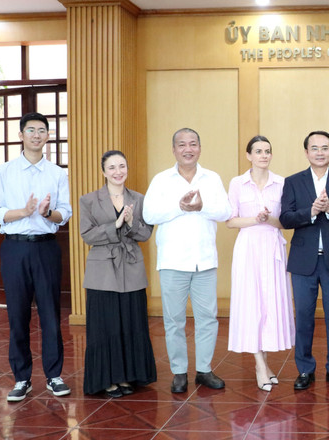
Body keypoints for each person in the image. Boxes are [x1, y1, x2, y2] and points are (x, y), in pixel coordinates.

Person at [0, 112, 73, 402]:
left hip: (46, 247)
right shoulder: (4, 171)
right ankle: (21, 378)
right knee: (17, 315)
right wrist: (23, 212)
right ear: (21, 135)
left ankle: (54, 375)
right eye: (31, 130)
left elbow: (65, 213)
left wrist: (47, 213)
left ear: (47, 136)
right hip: (15, 248)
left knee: (51, 313)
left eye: (42, 130)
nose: (37, 135)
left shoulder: (57, 173)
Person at [143, 127, 232, 394]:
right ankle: (179, 372)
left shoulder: (212, 178)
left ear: (200, 148)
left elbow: (226, 211)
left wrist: (202, 206)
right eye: (182, 145)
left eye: (193, 144)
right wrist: (178, 207)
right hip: (172, 261)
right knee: (173, 320)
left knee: (207, 318)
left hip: (204, 261)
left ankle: (204, 370)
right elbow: (149, 215)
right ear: (174, 150)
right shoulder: (161, 180)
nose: (188, 149)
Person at [279, 130, 329, 390]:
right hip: (303, 261)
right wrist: (311, 212)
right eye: (314, 148)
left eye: (325, 148)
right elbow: (286, 218)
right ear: (306, 153)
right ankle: (305, 369)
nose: (320, 152)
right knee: (303, 316)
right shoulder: (293, 182)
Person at [80, 150, 157, 398]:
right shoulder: (89, 200)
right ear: (103, 172)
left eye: (122, 166)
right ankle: (107, 379)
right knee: (106, 325)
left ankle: (128, 376)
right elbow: (87, 235)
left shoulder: (139, 198)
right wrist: (114, 226)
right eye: (112, 167)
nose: (118, 172)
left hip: (131, 267)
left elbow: (145, 234)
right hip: (102, 269)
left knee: (131, 322)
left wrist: (131, 222)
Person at [226, 136, 294, 392]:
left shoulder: (281, 183)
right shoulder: (237, 183)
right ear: (248, 155)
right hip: (248, 248)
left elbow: (285, 222)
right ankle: (258, 364)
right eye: (258, 151)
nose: (263, 155)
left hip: (272, 247)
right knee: (251, 303)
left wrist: (269, 218)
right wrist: (256, 219)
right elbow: (231, 221)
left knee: (269, 305)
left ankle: (264, 362)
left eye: (267, 151)